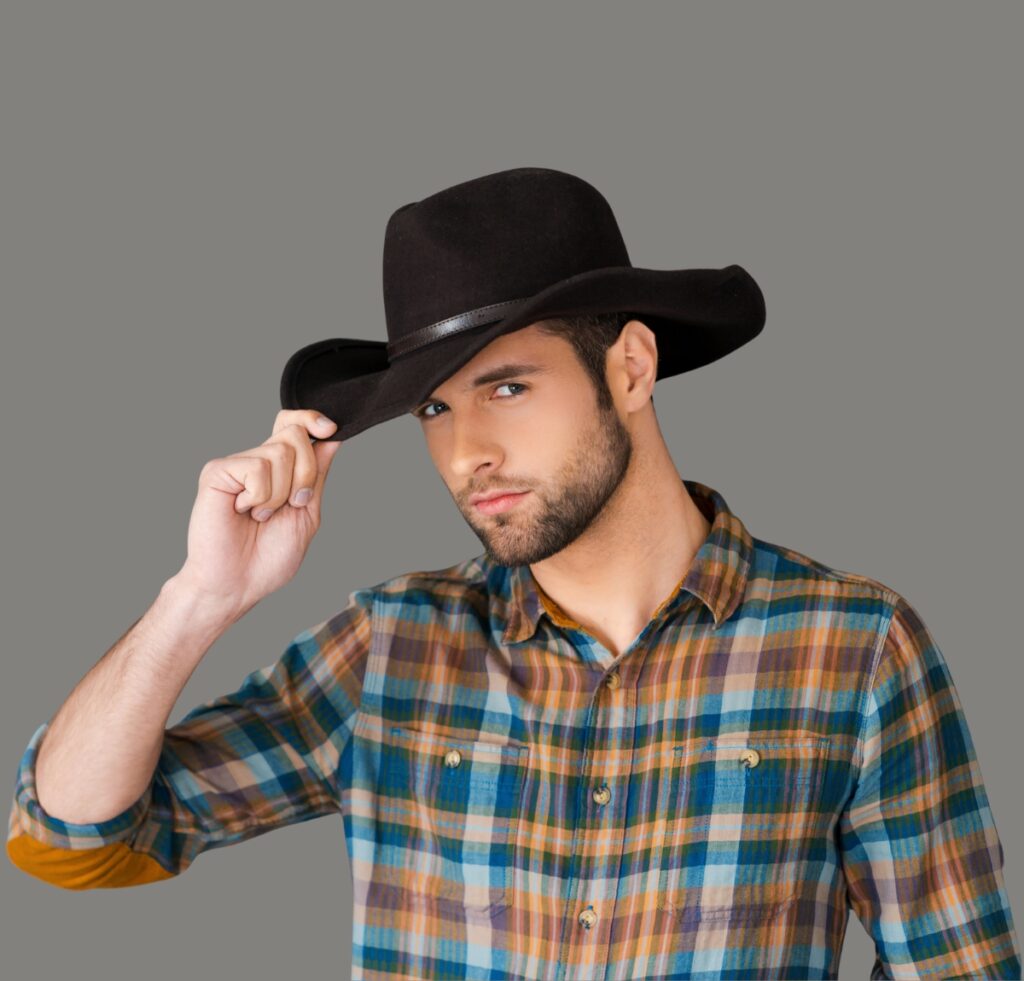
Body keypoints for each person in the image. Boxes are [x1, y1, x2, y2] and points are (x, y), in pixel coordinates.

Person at [7, 167, 1020, 980]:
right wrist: (200, 598)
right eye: (435, 409)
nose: (465, 456)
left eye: (506, 388)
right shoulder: (391, 648)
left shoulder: (851, 649)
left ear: (630, 367)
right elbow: (70, 837)